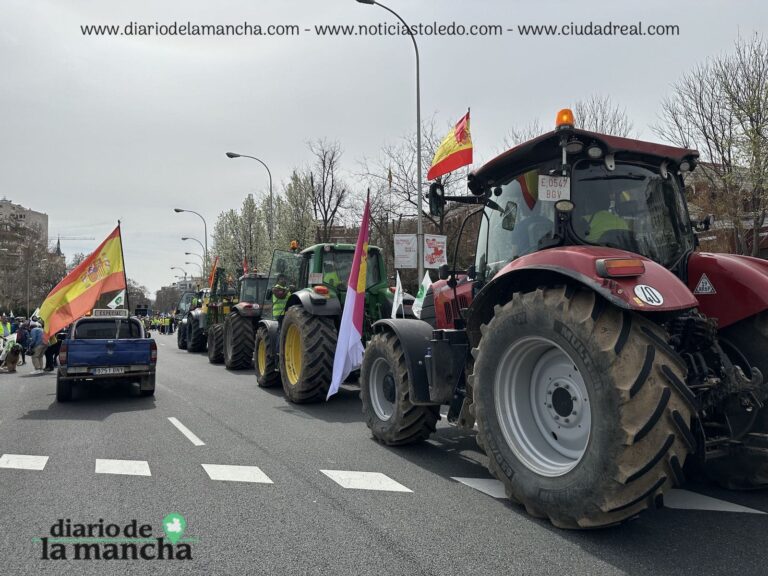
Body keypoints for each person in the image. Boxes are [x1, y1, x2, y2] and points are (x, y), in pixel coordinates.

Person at [272, 274, 291, 353]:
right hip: (279, 314)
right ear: (278, 280)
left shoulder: (285, 289)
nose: (283, 280)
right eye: (281, 279)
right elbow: (281, 296)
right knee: (281, 332)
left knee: (283, 331)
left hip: (286, 313)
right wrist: (288, 290)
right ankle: (278, 351)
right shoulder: (276, 289)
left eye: (284, 279)